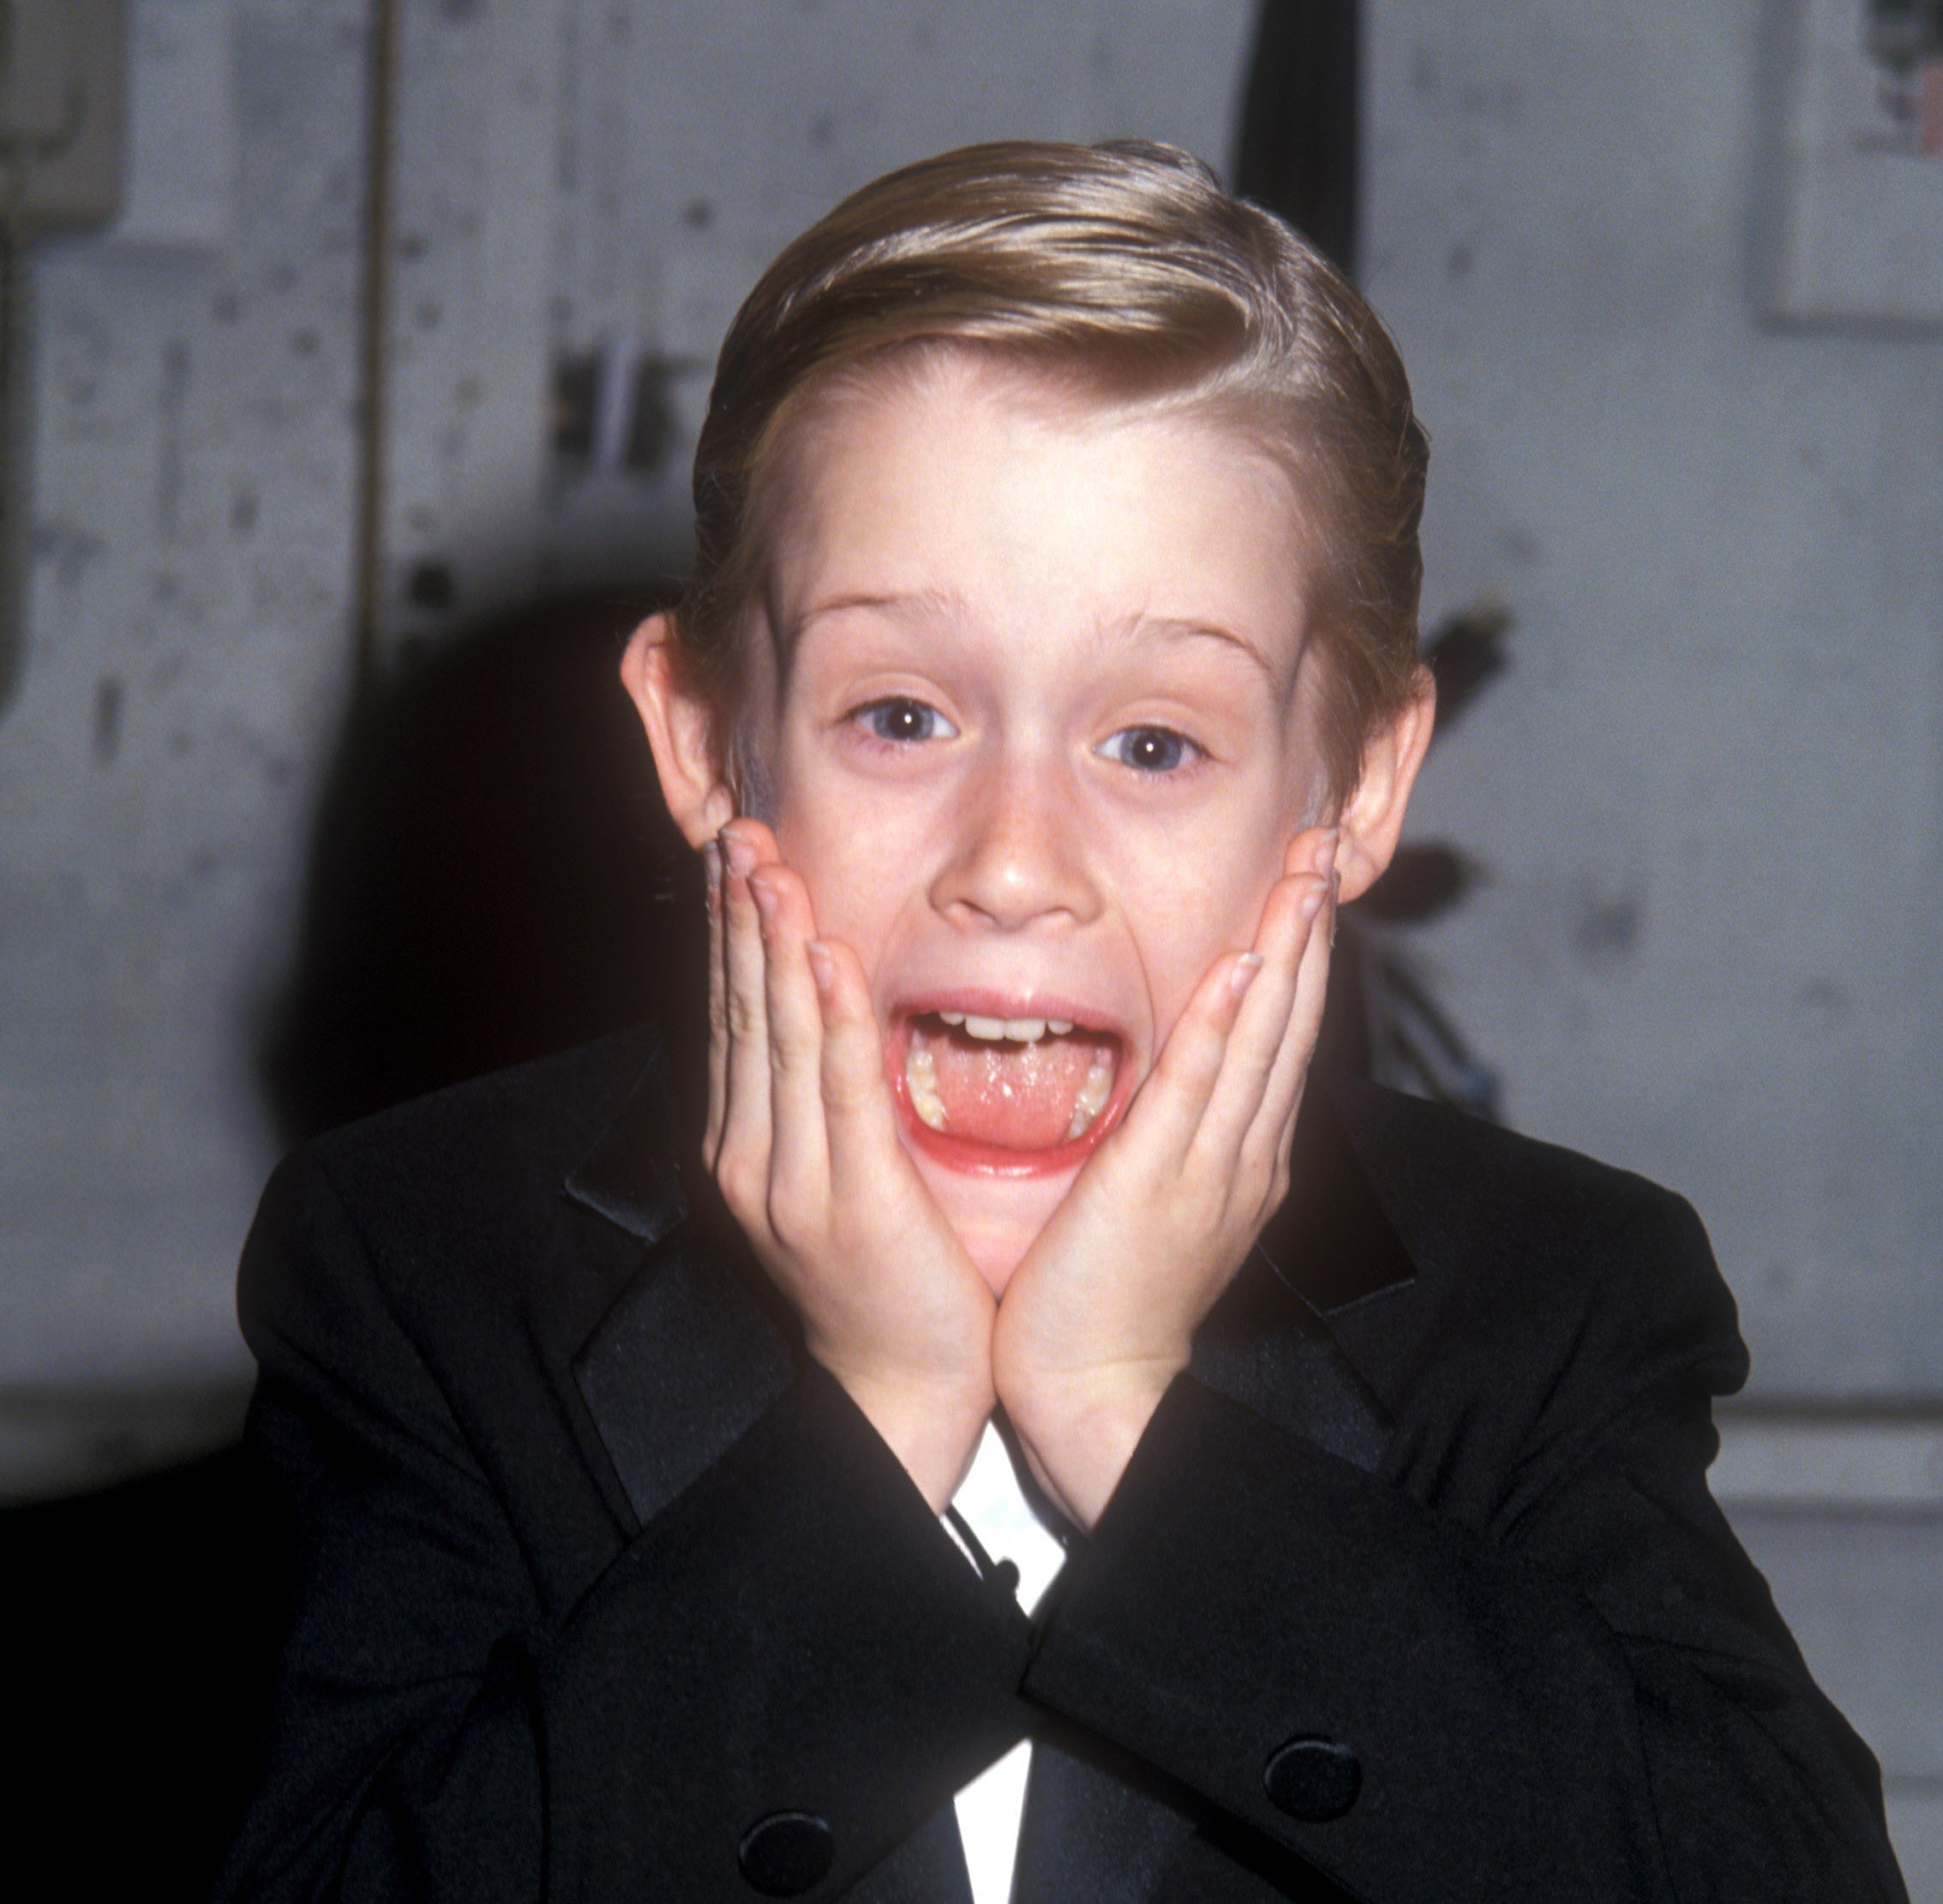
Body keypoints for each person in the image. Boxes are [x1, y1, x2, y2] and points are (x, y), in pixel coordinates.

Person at [217, 141, 1908, 1903]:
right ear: (705, 732)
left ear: (1357, 783)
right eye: (899, 714)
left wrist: (1137, 1419)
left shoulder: (1543, 1299)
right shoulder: (428, 1268)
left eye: (1154, 743)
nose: (1016, 864)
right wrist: (871, 1421)